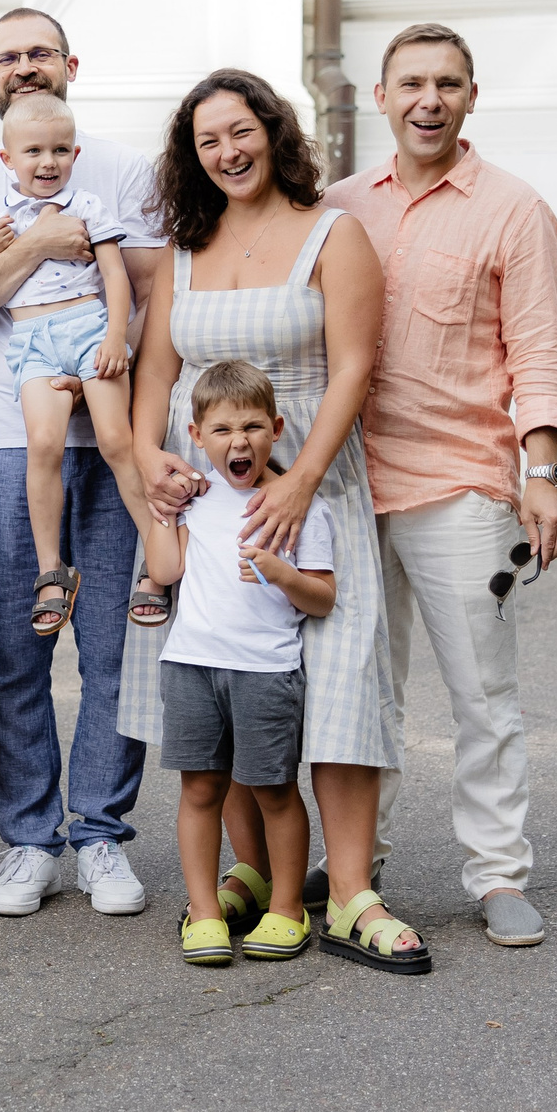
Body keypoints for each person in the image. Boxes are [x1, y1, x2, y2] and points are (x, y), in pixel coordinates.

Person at [122, 69, 428, 975]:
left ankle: (352, 892)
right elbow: (154, 374)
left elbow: (352, 369)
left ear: (274, 131)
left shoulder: (333, 234)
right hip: (202, 492)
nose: (228, 152)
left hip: (308, 481)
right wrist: (149, 459)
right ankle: (251, 872)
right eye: (208, 140)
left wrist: (303, 483)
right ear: (192, 155)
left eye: (241, 131)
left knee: (333, 684)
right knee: (226, 676)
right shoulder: (183, 249)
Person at [324, 23, 557, 949]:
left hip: (461, 486)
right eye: (412, 82)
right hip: (348, 486)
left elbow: (537, 349)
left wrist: (540, 473)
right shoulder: (342, 205)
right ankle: (358, 866)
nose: (429, 98)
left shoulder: (515, 209)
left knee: (482, 693)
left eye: (449, 83)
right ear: (381, 97)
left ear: (472, 98)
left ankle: (499, 874)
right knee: (358, 690)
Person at [0, 9, 161, 919]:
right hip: (0, 434)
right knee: (22, 655)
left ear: (71, 64)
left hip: (106, 433)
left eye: (39, 54)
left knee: (111, 648)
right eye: (6, 57)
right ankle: (29, 840)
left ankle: (99, 834)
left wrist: (125, 389)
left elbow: (147, 291)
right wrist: (34, 244)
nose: (24, 68)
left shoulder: (118, 168)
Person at [143, 361, 332, 968]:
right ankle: (203, 912)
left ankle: (286, 908)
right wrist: (160, 514)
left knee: (273, 789)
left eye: (252, 427)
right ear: (196, 436)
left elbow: (322, 597)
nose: (238, 441)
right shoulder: (195, 500)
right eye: (222, 430)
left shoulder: (297, 506)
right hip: (191, 664)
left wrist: (282, 572)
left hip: (265, 670)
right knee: (200, 788)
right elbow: (166, 572)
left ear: (276, 429)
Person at [0, 91, 156, 637]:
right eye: (34, 151)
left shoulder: (87, 206)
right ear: (7, 159)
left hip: (88, 327)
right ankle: (50, 570)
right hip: (32, 339)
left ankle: (159, 551)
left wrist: (117, 338)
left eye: (61, 150)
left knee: (116, 441)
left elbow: (116, 276)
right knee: (43, 445)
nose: (48, 162)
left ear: (75, 153)